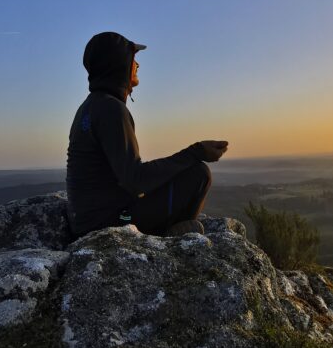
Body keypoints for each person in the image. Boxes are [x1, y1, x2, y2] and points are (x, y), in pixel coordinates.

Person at [65, 31, 228, 238]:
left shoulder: (89, 107)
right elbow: (136, 180)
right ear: (119, 65)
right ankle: (173, 238)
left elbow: (127, 176)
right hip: (107, 224)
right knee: (198, 175)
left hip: (87, 220)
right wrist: (195, 152)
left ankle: (173, 231)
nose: (137, 65)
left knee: (182, 173)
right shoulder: (111, 109)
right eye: (133, 59)